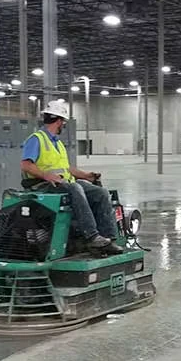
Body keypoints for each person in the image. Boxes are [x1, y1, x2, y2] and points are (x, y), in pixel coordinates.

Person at [21, 100, 123, 255]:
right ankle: (92, 236)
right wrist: (47, 176)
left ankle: (108, 238)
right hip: (42, 185)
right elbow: (26, 165)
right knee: (75, 188)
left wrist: (86, 176)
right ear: (59, 121)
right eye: (63, 122)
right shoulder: (36, 139)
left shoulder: (57, 143)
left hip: (62, 183)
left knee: (99, 193)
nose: (63, 125)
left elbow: (66, 168)